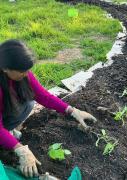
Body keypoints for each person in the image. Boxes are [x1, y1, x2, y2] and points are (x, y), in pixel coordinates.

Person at [0, 39, 97, 178]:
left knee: (28, 104)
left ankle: (6, 134)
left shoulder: (21, 75)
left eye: (28, 70)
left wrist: (72, 110)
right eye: (22, 71)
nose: (27, 74)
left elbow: (43, 96)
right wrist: (20, 149)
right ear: (5, 68)